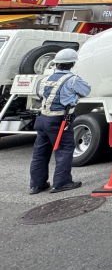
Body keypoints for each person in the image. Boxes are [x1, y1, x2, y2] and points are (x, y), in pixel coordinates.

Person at [29, 48, 91, 194]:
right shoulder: (72, 79)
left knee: (40, 152)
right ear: (72, 64)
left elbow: (39, 94)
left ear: (56, 64)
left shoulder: (44, 80)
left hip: (42, 118)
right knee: (64, 149)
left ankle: (36, 185)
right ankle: (62, 182)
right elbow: (86, 91)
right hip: (59, 121)